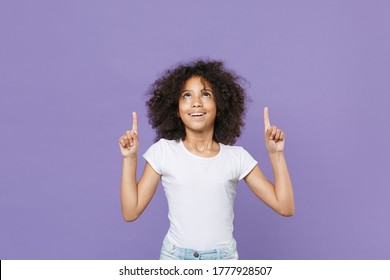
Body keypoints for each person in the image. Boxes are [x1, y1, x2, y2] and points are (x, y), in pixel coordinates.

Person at [118, 59, 294, 260]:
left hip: (223, 260)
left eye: (206, 94)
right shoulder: (163, 151)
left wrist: (276, 154)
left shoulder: (237, 157)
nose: (196, 103)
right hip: (175, 259)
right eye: (187, 95)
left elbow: (285, 206)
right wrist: (129, 159)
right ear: (176, 108)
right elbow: (130, 212)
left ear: (220, 104)